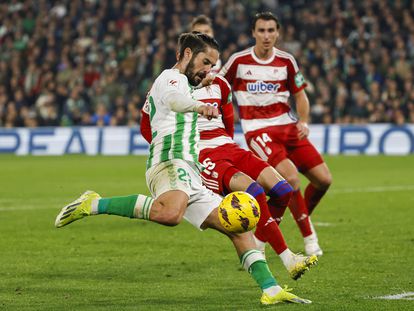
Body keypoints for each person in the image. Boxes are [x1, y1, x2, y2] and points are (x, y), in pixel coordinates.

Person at [55, 32, 311, 305]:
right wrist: (200, 106)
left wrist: (206, 84)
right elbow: (177, 101)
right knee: (170, 214)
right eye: (205, 62)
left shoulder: (191, 82)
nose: (208, 70)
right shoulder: (170, 79)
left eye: (212, 65)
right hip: (168, 161)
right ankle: (93, 203)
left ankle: (271, 289)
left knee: (234, 224)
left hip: (191, 170)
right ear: (187, 54)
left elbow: (192, 91)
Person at [220, 12, 332, 256]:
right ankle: (310, 237)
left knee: (324, 179)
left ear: (278, 33)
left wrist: (304, 120)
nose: (266, 36)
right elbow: (218, 85)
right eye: (261, 30)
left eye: (271, 30)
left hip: (288, 128)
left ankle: (276, 228)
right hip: (258, 130)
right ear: (253, 33)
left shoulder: (287, 61)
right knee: (291, 180)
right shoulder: (239, 61)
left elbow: (300, 94)